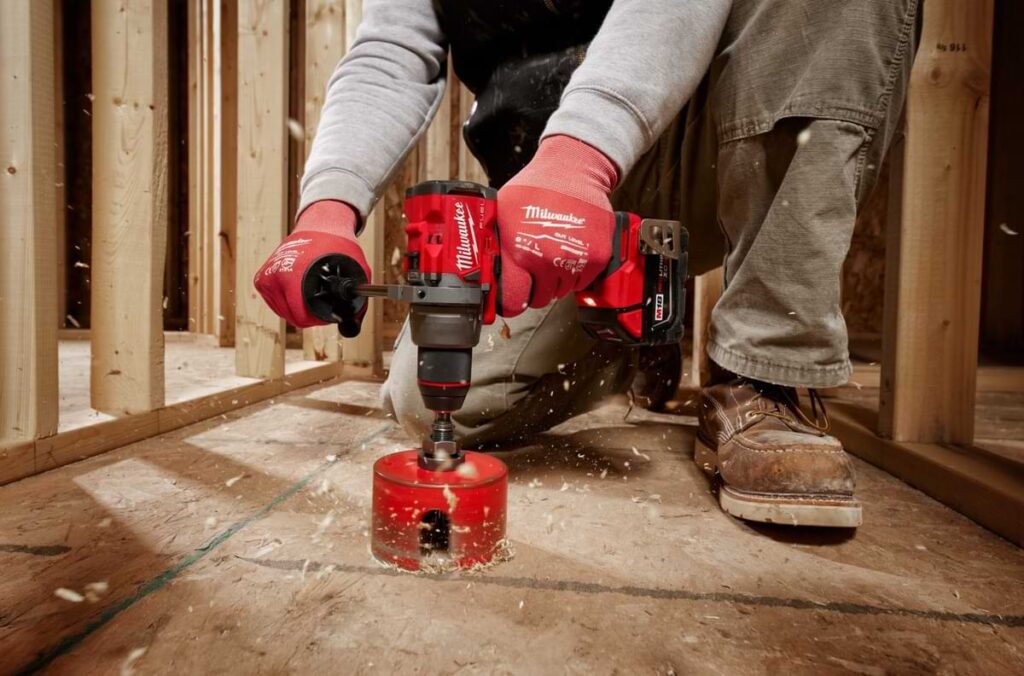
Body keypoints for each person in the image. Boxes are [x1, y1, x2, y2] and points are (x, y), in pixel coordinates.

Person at [255, 0, 920, 528]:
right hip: (538, 191)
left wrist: (580, 158)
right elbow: (389, 53)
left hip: (696, 138)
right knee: (432, 405)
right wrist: (327, 209)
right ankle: (633, 324)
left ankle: (768, 371)